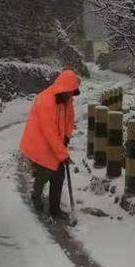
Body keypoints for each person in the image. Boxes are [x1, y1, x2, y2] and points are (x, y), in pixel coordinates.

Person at [19, 69, 80, 218]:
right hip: (39, 143)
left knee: (58, 175)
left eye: (72, 92)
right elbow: (49, 132)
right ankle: (36, 195)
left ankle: (55, 209)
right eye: (69, 92)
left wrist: (66, 136)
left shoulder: (67, 99)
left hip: (55, 142)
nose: (71, 95)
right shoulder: (45, 101)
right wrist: (63, 154)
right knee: (44, 173)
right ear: (63, 88)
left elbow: (69, 120)